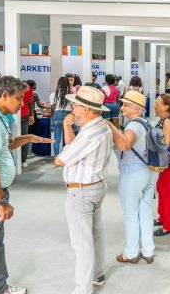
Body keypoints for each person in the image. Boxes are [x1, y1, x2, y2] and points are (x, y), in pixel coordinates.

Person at [0, 76, 54, 294]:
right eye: (19, 99)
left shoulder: (0, 117)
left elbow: (6, 144)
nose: (22, 103)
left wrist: (28, 138)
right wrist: (0, 200)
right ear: (4, 95)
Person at [54, 86, 113, 293]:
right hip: (95, 187)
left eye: (76, 105)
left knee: (82, 243)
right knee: (96, 233)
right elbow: (75, 151)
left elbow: (60, 160)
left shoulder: (89, 134)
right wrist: (68, 128)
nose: (72, 108)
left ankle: (83, 289)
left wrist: (66, 137)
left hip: (81, 192)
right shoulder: (102, 126)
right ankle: (98, 274)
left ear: (87, 109)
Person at [107, 90, 157, 264]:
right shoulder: (147, 123)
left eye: (126, 105)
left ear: (137, 108)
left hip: (134, 173)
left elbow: (126, 144)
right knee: (145, 211)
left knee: (130, 214)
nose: (122, 108)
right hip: (150, 172)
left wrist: (111, 127)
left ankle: (131, 253)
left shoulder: (133, 125)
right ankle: (148, 250)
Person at [153, 94, 170, 236]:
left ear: (165, 107)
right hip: (165, 163)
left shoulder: (167, 122)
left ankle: (168, 225)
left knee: (167, 193)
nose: (154, 104)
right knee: (161, 189)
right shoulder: (165, 119)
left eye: (157, 102)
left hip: (167, 164)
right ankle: (162, 217)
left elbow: (165, 144)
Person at [50, 76, 72, 156]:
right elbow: (73, 107)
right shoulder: (70, 94)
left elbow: (52, 108)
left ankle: (57, 157)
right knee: (67, 138)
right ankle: (67, 157)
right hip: (68, 115)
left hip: (57, 115)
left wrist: (52, 118)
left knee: (57, 139)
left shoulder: (54, 94)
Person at [20, 79, 35, 168]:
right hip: (24, 115)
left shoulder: (10, 87)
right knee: (24, 137)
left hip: (16, 115)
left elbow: (30, 102)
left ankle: (21, 160)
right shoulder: (28, 88)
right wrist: (32, 115)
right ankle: (23, 160)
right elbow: (31, 102)